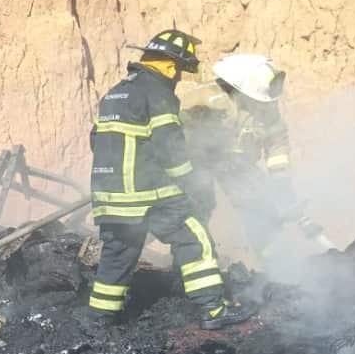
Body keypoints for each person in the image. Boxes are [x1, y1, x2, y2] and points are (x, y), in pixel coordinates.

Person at [88, 29, 254, 330]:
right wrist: (191, 182)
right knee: (193, 236)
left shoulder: (113, 94)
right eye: (179, 69)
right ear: (169, 64)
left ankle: (99, 320)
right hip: (148, 194)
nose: (178, 77)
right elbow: (169, 145)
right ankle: (213, 311)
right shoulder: (157, 92)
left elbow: (95, 140)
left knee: (117, 256)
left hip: (108, 197)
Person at [179, 53, 331, 253]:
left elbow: (276, 140)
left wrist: (281, 180)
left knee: (259, 207)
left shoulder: (264, 103)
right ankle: (190, 257)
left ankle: (274, 262)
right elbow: (182, 140)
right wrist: (213, 158)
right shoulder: (205, 99)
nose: (265, 105)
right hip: (197, 164)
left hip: (238, 165)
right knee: (195, 206)